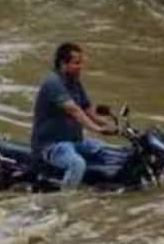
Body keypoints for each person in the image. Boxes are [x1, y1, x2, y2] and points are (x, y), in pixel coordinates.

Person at [31, 42, 118, 190]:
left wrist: (110, 124)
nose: (81, 67)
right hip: (52, 145)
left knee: (105, 149)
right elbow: (74, 111)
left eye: (81, 63)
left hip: (74, 142)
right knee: (77, 164)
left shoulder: (74, 82)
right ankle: (65, 201)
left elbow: (88, 109)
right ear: (63, 64)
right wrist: (97, 129)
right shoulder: (53, 83)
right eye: (76, 63)